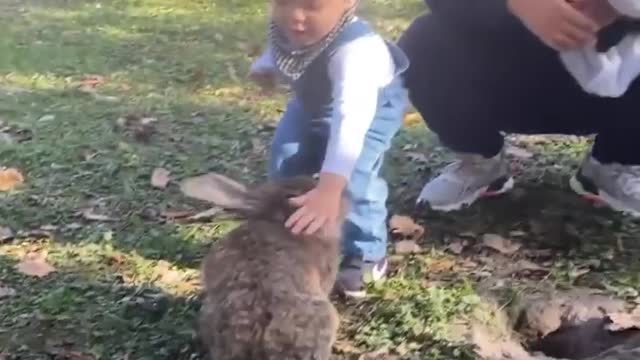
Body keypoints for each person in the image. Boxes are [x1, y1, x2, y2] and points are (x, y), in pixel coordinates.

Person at [397, 0, 640, 216]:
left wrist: (619, 11)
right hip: (500, 72)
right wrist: (519, 5)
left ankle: (615, 163)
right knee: (425, 38)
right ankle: (479, 158)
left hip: (610, 79)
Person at [249, 0, 409, 298]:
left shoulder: (356, 51)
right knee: (287, 157)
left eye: (312, 5)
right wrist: (265, 67)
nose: (296, 17)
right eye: (283, 2)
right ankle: (292, 230)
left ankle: (366, 251)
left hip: (369, 110)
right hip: (313, 103)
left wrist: (329, 189)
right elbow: (284, 50)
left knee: (354, 178)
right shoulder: (291, 29)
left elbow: (350, 127)